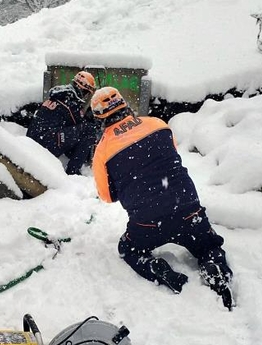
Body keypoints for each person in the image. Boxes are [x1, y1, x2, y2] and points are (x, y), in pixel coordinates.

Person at [89, 86, 234, 309]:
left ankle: (156, 268)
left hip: (147, 223)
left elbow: (107, 197)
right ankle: (215, 269)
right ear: (124, 105)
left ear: (99, 118)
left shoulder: (103, 150)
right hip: (188, 210)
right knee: (209, 246)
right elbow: (170, 157)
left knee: (128, 248)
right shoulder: (158, 124)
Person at [26, 71, 99, 175]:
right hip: (44, 143)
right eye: (87, 92)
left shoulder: (61, 95)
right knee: (89, 130)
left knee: (78, 133)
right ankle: (73, 172)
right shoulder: (70, 101)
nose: (86, 96)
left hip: (34, 142)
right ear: (82, 88)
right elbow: (79, 124)